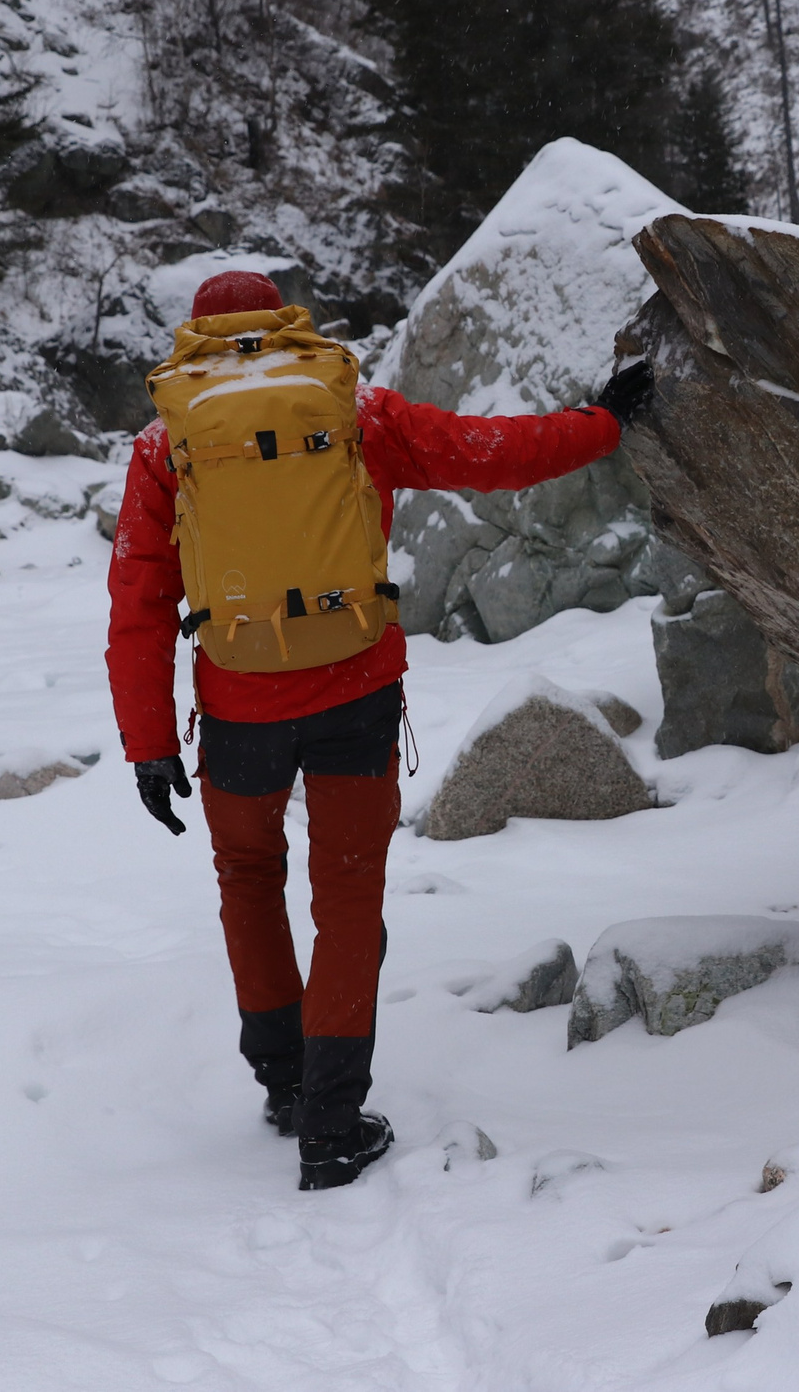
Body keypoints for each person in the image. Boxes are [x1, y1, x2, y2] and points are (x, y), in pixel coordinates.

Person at [105, 267, 652, 1190]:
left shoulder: (169, 440)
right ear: (283, 319)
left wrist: (149, 740)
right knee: (348, 893)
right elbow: (491, 451)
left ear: (196, 336)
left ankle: (283, 1081)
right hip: (354, 690)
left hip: (237, 704)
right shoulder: (353, 408)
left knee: (247, 877)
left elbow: (139, 598)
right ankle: (331, 1115)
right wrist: (602, 423)